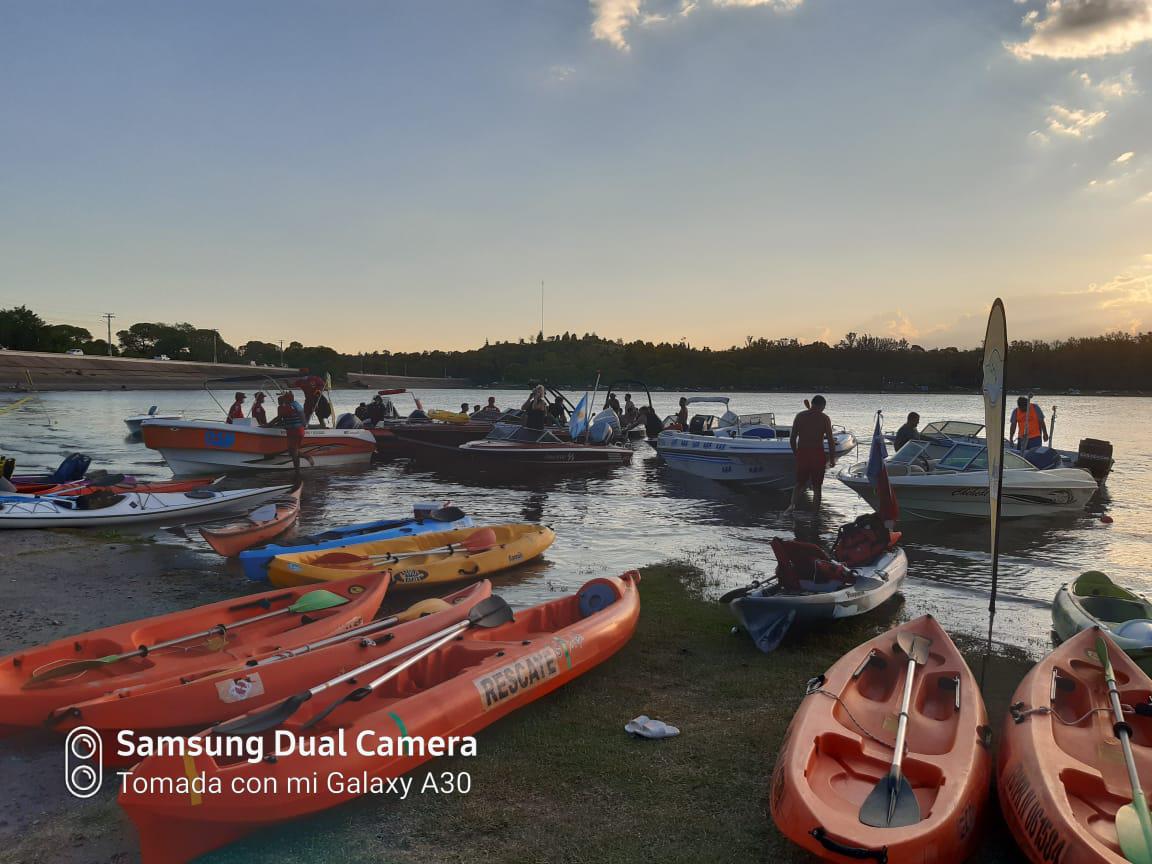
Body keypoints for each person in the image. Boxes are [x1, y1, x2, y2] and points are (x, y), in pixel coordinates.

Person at [786, 395, 837, 514]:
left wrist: (796, 453)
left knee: (799, 484)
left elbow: (792, 438)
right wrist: (833, 458)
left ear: (812, 403)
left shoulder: (800, 416)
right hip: (817, 455)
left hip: (803, 453)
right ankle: (814, 513)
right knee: (817, 487)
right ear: (822, 406)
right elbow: (830, 440)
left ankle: (792, 506)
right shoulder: (824, 418)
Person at [277, 391, 307, 473]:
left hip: (295, 430)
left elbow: (279, 418)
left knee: (294, 452)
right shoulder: (294, 405)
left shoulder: (292, 406)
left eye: (285, 397)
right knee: (292, 451)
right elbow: (302, 417)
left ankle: (297, 471)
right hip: (293, 430)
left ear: (289, 398)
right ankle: (306, 457)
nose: (284, 399)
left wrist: (268, 425)